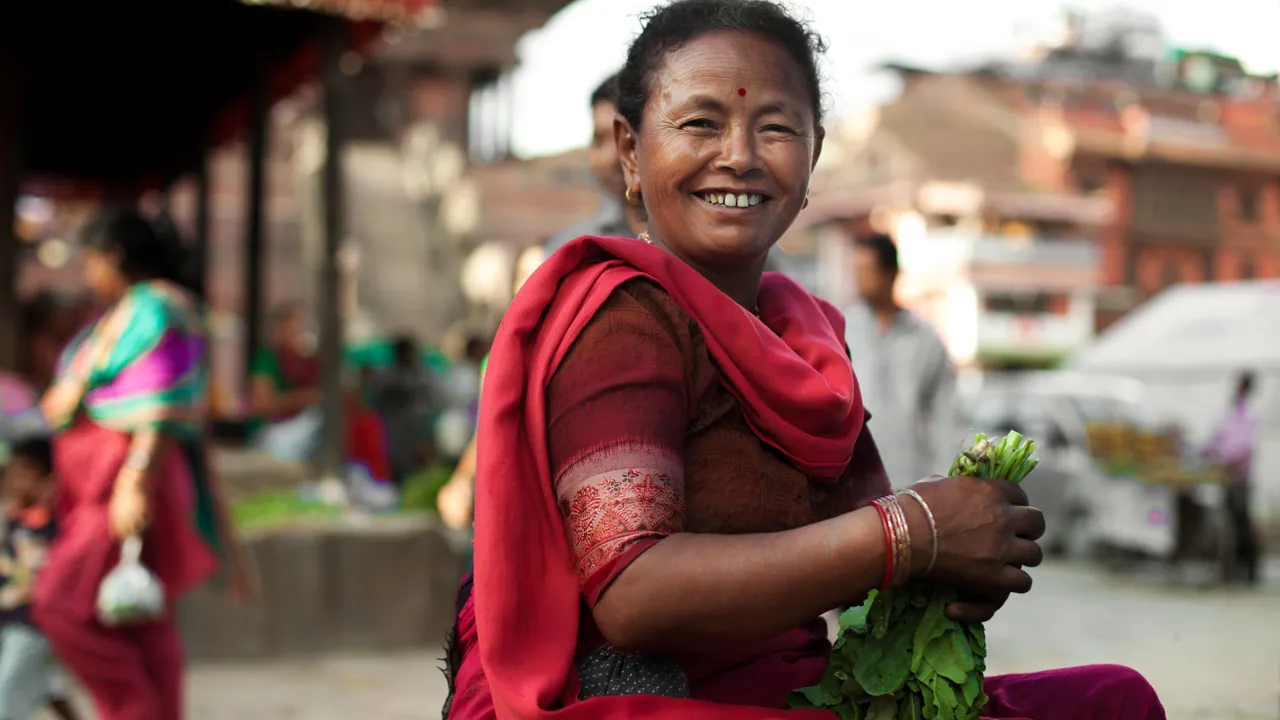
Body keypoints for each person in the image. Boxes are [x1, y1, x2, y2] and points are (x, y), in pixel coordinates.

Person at [441, 2, 1164, 719]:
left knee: (1112, 698)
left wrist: (966, 550)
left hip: (804, 685)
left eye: (778, 128)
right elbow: (632, 590)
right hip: (670, 699)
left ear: (814, 156)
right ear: (630, 151)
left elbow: (862, 561)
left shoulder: (804, 332)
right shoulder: (626, 316)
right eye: (700, 123)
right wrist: (912, 533)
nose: (740, 156)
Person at [33, 207, 253, 720]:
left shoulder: (157, 307)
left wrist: (135, 479)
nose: (87, 274)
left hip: (126, 482)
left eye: (90, 260)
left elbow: (162, 396)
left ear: (113, 256)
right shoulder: (132, 309)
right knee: (136, 613)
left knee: (60, 601)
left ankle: (132, 708)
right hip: (114, 481)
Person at [844, 233, 964, 489]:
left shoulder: (925, 339)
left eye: (867, 271)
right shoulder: (842, 330)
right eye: (856, 271)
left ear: (891, 274)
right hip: (852, 482)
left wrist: (944, 479)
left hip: (912, 481)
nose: (859, 280)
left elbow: (944, 415)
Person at [0, 438, 81, 720]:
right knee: (50, 686)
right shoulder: (14, 521)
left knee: (7, 687)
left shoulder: (56, 524)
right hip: (13, 617)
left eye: (23, 474)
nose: (14, 482)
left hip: (36, 621)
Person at [543, 72, 646, 258]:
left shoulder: (700, 245)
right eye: (598, 140)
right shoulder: (572, 253)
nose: (611, 158)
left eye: (628, 138)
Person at [1202, 370, 1261, 584]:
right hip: (1225, 476)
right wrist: (1208, 452)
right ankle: (1233, 567)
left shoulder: (1249, 415)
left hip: (1239, 477)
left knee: (1242, 522)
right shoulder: (1229, 414)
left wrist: (1227, 460)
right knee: (1231, 523)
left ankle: (1250, 569)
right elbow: (1216, 440)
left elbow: (1243, 448)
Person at [248, 303, 323, 463]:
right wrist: (305, 398)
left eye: (300, 331)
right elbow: (262, 404)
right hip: (272, 434)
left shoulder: (308, 362)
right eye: (293, 332)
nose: (299, 336)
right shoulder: (267, 359)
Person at [371, 335, 437, 484]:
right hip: (395, 428)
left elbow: (431, 396)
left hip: (419, 427)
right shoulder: (389, 374)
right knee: (397, 461)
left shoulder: (421, 372)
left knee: (419, 462)